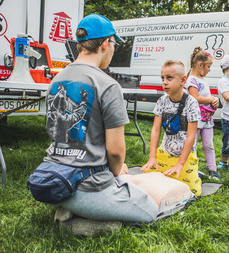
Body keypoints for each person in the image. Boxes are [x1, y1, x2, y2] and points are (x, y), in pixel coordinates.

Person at [43, 14, 158, 223]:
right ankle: (79, 222)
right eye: (114, 44)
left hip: (52, 179)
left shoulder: (56, 80)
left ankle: (70, 208)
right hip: (86, 187)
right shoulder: (108, 84)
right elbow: (115, 151)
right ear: (105, 43)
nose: (114, 50)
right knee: (150, 210)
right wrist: (116, 174)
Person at [141, 60, 202, 196]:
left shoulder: (191, 103)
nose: (164, 82)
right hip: (166, 151)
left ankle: (196, 174)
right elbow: (155, 130)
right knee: (147, 181)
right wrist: (152, 157)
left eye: (169, 78)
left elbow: (191, 136)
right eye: (162, 78)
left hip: (185, 155)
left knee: (193, 192)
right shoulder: (162, 101)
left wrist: (180, 164)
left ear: (183, 80)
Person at [185, 47, 221, 180]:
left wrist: (214, 100)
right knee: (192, 144)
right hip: (195, 119)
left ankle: (213, 169)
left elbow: (206, 96)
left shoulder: (203, 79)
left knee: (209, 144)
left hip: (206, 119)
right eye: (209, 66)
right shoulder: (192, 80)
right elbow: (195, 98)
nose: (209, 69)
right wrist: (212, 99)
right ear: (200, 65)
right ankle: (191, 168)